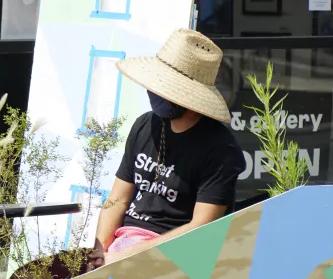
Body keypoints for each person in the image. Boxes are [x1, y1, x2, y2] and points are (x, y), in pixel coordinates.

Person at [91, 29, 245, 266]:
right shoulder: (144, 125)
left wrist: (124, 257)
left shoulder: (220, 150)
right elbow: (118, 199)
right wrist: (98, 252)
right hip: (120, 248)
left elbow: (200, 228)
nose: (157, 93)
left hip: (172, 258)